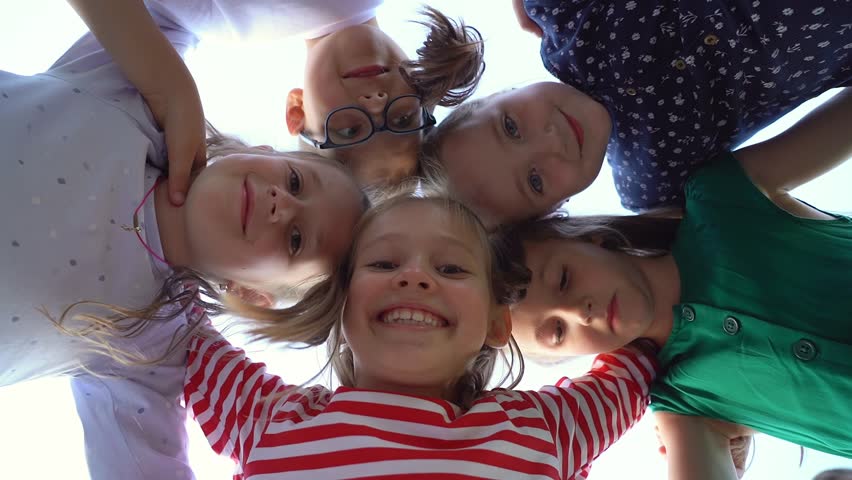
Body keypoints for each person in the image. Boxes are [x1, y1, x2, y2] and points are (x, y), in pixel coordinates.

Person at [0, 2, 367, 478]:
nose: (282, 203)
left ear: (255, 296)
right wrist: (168, 85)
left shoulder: (150, 346)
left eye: (296, 239)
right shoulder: (137, 95)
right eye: (295, 182)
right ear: (263, 151)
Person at [499, 86, 852, 477]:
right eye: (558, 332)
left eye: (564, 279)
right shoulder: (683, 405)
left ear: (589, 240)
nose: (579, 311)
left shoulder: (721, 198)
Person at [183, 192, 660, 479]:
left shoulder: (543, 431)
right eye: (383, 263)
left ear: (497, 324)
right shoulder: (269, 419)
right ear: (340, 306)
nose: (414, 277)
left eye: (451, 268)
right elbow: (170, 322)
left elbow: (643, 357)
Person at [418, 0, 852, 226]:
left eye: (510, 126)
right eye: (535, 181)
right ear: (558, 207)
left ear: (505, 90)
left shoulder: (566, 16)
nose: (550, 141)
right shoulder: (656, 181)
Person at [141, 0, 485, 186]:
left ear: (297, 111)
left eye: (350, 130)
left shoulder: (218, 19)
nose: (377, 103)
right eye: (402, 118)